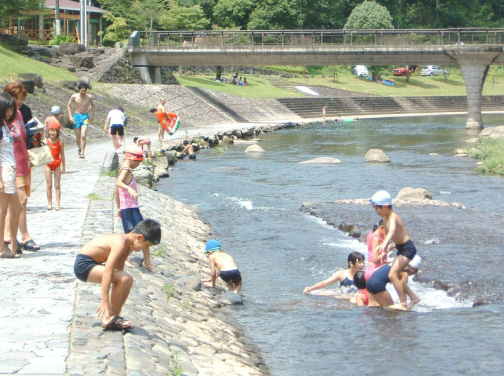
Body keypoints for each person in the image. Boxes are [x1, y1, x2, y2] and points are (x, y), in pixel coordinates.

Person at [73, 219, 161, 330]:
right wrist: (104, 301)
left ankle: (114, 317)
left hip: (94, 264)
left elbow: (118, 271)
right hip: (83, 265)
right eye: (147, 245)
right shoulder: (121, 243)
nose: (145, 249)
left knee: (127, 279)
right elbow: (108, 272)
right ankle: (109, 317)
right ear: (139, 237)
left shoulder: (128, 246)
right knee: (125, 278)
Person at [3, 82, 39, 252]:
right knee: (18, 200)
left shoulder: (18, 113)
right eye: (15, 98)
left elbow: (22, 137)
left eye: (21, 98)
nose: (18, 102)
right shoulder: (5, 115)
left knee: (21, 202)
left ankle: (19, 236)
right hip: (11, 163)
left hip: (22, 161)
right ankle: (12, 236)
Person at [370, 190, 418, 311]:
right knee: (396, 276)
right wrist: (388, 247)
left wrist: (385, 243)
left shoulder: (393, 217)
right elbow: (394, 236)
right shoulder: (385, 217)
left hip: (408, 249)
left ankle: (403, 303)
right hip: (401, 248)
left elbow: (392, 232)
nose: (376, 211)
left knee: (392, 275)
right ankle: (413, 297)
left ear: (385, 206)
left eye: (377, 208)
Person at [114, 145, 155, 272]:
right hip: (129, 209)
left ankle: (147, 262)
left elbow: (116, 191)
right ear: (132, 159)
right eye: (138, 163)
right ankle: (123, 258)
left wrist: (119, 207)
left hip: (130, 207)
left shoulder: (125, 169)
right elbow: (118, 183)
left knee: (142, 234)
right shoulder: (125, 170)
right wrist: (129, 188)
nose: (138, 165)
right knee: (136, 235)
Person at [0, 93, 22, 258]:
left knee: (17, 208)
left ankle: (12, 243)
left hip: (10, 170)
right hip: (4, 171)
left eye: (11, 110)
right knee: (3, 210)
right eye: (6, 110)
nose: (9, 113)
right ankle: (2, 247)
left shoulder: (5, 125)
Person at [67, 83, 94, 159]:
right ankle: (79, 149)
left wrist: (91, 115)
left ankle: (82, 152)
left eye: (84, 91)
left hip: (85, 117)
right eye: (82, 91)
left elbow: (92, 105)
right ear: (79, 90)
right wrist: (70, 116)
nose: (83, 92)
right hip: (76, 116)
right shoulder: (74, 96)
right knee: (78, 136)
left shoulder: (89, 97)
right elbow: (68, 105)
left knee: (83, 135)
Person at [45, 120, 65, 211]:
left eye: (54, 130)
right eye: (50, 130)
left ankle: (57, 203)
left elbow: (62, 154)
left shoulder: (60, 142)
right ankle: (49, 203)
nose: (52, 132)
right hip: (48, 164)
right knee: (49, 184)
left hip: (57, 163)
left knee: (57, 184)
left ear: (58, 132)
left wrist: (63, 166)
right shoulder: (46, 141)